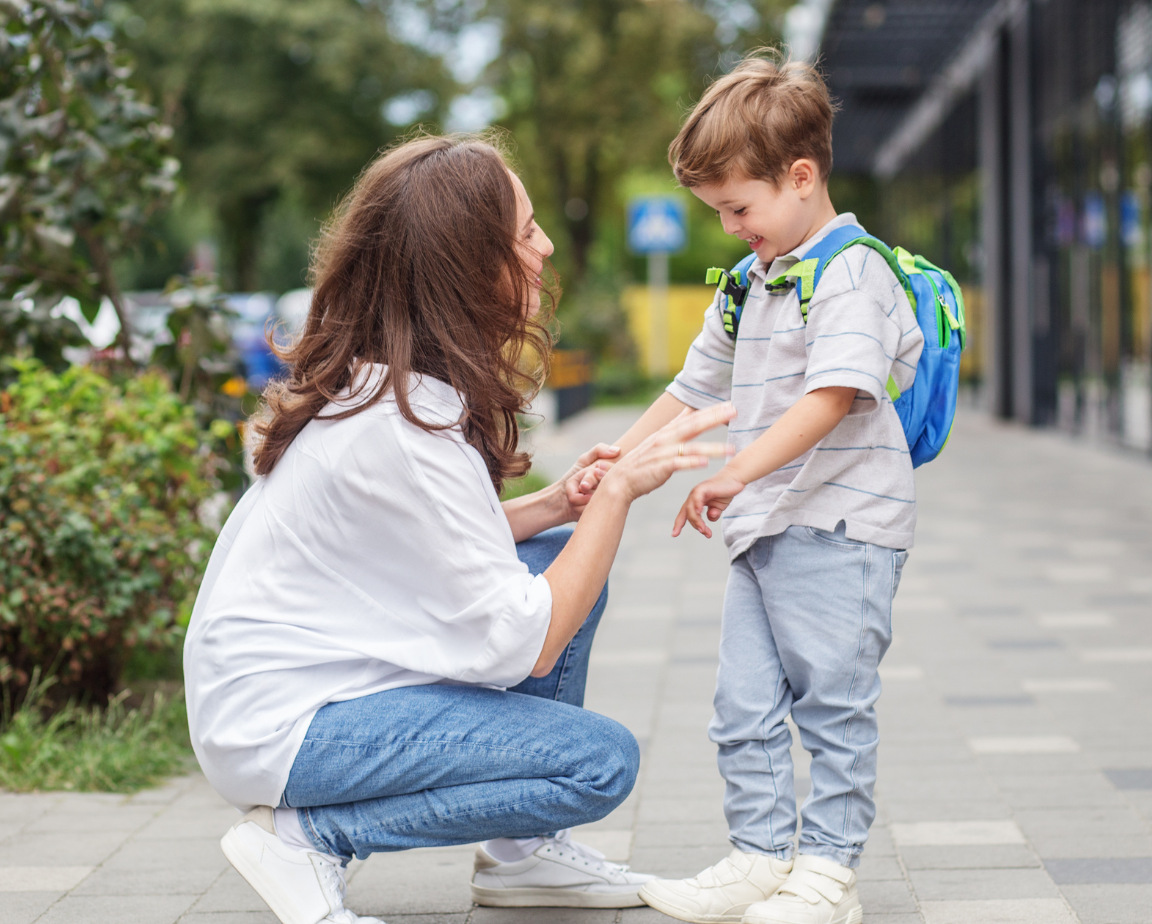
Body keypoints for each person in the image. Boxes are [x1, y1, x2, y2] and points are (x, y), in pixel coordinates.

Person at [182, 134, 735, 924]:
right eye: (527, 231)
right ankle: (309, 836)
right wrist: (614, 494)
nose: (545, 246)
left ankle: (521, 856)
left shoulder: (390, 389)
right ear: (469, 265)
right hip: (284, 728)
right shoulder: (400, 429)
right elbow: (527, 643)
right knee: (597, 763)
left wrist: (555, 507)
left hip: (295, 691)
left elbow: (435, 545)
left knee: (554, 552)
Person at [615, 53, 925, 924]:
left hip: (843, 526)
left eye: (737, 209)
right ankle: (758, 857)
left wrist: (735, 472)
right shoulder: (752, 281)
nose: (729, 228)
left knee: (833, 705)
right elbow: (693, 385)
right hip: (764, 528)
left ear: (800, 176)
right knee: (740, 706)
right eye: (717, 212)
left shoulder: (851, 272)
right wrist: (614, 461)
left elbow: (833, 395)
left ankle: (827, 873)